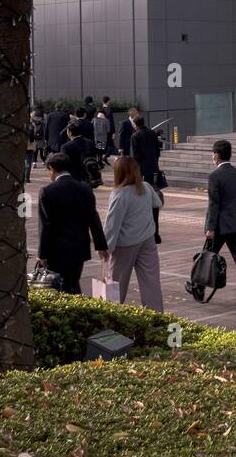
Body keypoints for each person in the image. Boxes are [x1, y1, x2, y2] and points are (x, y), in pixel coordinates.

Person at [37, 153, 109, 294]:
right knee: (74, 281)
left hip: (56, 249)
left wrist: (42, 253)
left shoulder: (47, 191)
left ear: (52, 168)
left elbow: (45, 225)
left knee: (58, 285)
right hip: (79, 246)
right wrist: (101, 245)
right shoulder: (85, 188)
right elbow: (93, 218)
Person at [104, 156, 163, 310]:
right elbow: (158, 203)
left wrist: (105, 248)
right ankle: (156, 317)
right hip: (147, 240)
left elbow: (112, 225)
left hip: (125, 245)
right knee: (151, 282)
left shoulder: (119, 194)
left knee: (116, 284)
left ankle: (111, 316)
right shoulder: (145, 187)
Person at [205, 139, 236, 310]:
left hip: (220, 225)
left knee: (207, 258)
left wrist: (210, 228)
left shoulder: (214, 176)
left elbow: (213, 204)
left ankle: (198, 287)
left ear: (217, 155)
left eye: (213, 154)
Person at [130, 115, 161, 185]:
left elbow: (136, 153)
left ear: (135, 124)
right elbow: (157, 149)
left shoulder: (135, 136)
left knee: (139, 185)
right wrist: (156, 161)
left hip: (141, 165)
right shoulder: (152, 133)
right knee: (150, 185)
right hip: (152, 163)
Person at [26, 109, 45, 180]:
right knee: (28, 162)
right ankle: (27, 177)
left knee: (24, 162)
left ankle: (24, 177)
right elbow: (34, 134)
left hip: (24, 145)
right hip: (31, 145)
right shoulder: (32, 125)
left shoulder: (23, 124)